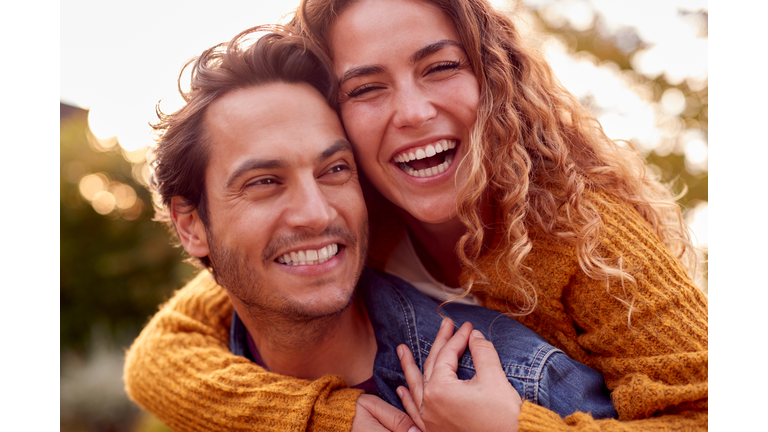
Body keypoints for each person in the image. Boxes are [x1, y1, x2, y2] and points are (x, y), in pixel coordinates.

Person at [124, 0, 708, 430]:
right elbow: (160, 355)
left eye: (440, 68)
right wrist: (326, 417)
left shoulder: (581, 229)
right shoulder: (348, 216)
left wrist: (511, 428)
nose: (412, 111)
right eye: (367, 88)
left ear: (492, 79)